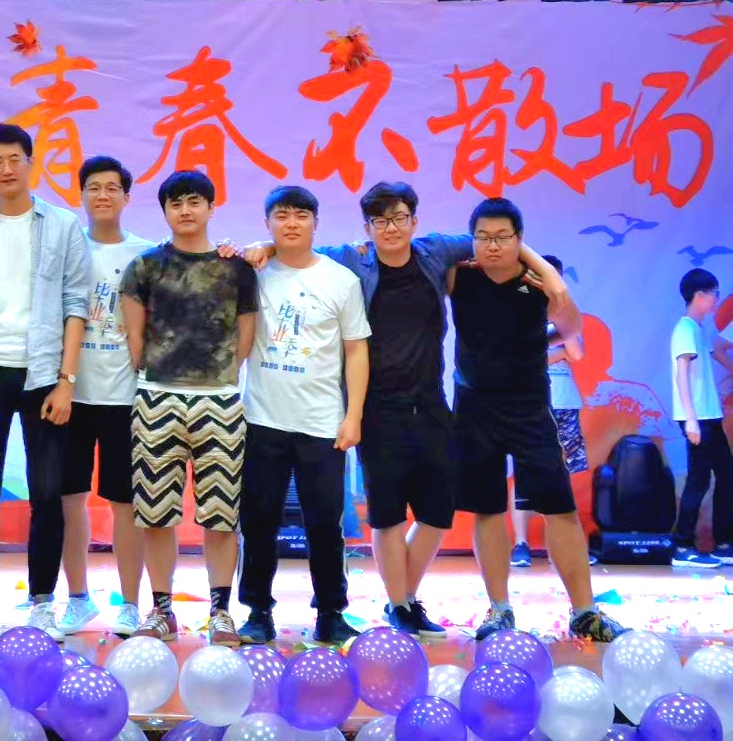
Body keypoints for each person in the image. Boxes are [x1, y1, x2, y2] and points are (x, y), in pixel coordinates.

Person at [240, 181, 567, 638]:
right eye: (379, 220)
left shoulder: (435, 251)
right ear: (367, 228)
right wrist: (264, 246)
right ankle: (400, 604)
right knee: (387, 515)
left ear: (414, 221)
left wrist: (545, 271)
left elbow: (493, 237)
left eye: (398, 218)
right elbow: (298, 244)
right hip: (377, 408)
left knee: (438, 510)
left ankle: (401, 594)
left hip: (431, 403)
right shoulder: (353, 259)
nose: (390, 227)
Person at [449, 197, 624, 641]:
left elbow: (571, 327)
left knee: (559, 507)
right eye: (483, 237)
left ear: (520, 239)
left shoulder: (539, 283)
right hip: (475, 408)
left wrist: (537, 266)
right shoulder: (460, 277)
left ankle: (585, 612)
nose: (492, 246)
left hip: (529, 409)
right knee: (488, 509)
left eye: (502, 237)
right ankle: (499, 609)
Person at [0, 123, 90, 643]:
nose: (6, 169)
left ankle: (43, 605)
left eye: (15, 159)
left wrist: (66, 381)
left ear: (31, 162)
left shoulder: (64, 226)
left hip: (44, 376)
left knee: (46, 494)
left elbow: (77, 305)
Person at [120, 170, 255, 646]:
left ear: (211, 207)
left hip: (220, 401)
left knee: (222, 514)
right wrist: (160, 376)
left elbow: (245, 336)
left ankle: (221, 612)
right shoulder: (144, 266)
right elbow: (134, 335)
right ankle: (162, 610)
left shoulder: (236, 268)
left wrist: (217, 376)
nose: (185, 210)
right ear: (164, 211)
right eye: (175, 203)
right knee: (155, 513)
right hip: (156, 398)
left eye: (194, 201)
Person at [238, 185, 370, 647]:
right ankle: (257, 611)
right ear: (268, 223)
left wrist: (353, 416)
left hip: (322, 423)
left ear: (316, 223)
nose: (291, 223)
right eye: (281, 215)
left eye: (300, 215)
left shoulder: (341, 281)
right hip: (262, 419)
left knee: (325, 523)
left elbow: (356, 351)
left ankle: (331, 613)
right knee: (258, 521)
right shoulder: (253, 274)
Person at [57, 156, 153, 638]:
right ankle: (78, 598)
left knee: (126, 504)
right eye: (93, 187)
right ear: (81, 196)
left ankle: (130, 603)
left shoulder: (146, 254)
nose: (102, 195)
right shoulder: (66, 249)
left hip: (126, 397)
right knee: (68, 499)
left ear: (126, 197)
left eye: (112, 188)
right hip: (70, 395)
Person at [511, 256, 586, 569]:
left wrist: (552, 346)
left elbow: (576, 353)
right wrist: (556, 353)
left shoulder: (564, 312)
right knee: (524, 472)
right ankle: (521, 544)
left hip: (564, 401)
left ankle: (565, 544)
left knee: (562, 472)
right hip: (531, 403)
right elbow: (520, 359)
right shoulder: (519, 309)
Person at [669, 268, 733, 569]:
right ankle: (682, 545)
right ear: (700, 295)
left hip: (710, 416)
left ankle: (723, 543)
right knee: (698, 480)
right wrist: (691, 420)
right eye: (714, 293)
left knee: (727, 476)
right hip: (697, 418)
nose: (716, 300)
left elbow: (715, 356)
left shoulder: (698, 329)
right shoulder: (684, 329)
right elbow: (681, 375)